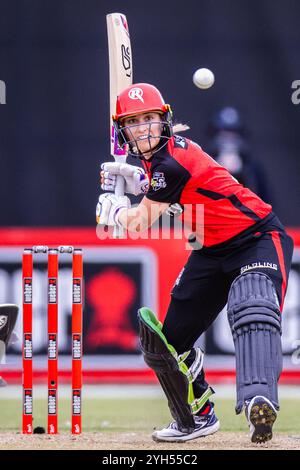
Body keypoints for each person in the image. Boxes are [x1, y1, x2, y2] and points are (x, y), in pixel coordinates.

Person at [96, 83, 294, 444]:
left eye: (149, 119)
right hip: (210, 248)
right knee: (167, 344)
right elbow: (158, 183)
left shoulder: (169, 163)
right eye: (133, 121)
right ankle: (196, 417)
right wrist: (131, 179)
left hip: (257, 239)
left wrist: (117, 211)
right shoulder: (157, 161)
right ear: (122, 130)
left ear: (164, 121)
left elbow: (141, 221)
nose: (143, 128)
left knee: (253, 310)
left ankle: (258, 401)